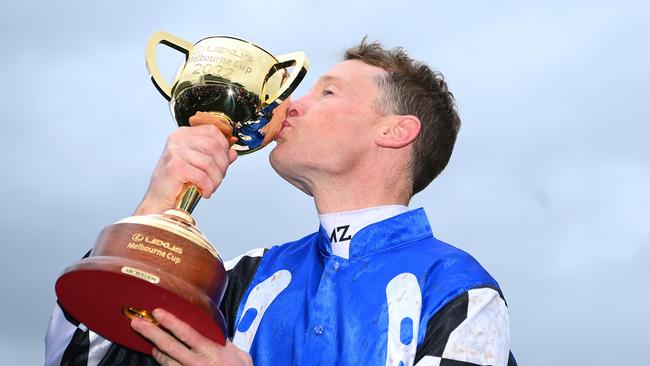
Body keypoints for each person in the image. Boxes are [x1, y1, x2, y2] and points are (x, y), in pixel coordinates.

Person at [45, 39, 517, 366]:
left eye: (327, 92)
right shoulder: (239, 277)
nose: (289, 106)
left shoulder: (461, 293)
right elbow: (75, 359)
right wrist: (157, 208)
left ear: (395, 131)